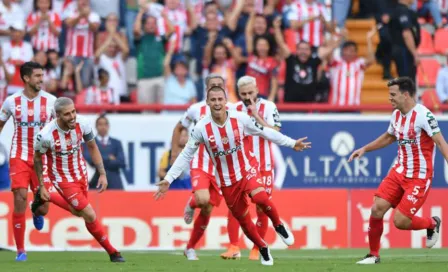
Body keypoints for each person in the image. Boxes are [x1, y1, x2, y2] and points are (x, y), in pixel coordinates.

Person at [155, 85, 312, 266]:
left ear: (225, 101)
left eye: (220, 99)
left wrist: (292, 143)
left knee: (261, 197)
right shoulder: (201, 128)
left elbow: (265, 131)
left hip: (246, 170)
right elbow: (186, 155)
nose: (217, 103)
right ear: (207, 103)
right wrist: (168, 179)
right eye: (213, 100)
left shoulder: (240, 118)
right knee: (244, 221)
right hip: (227, 181)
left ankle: (278, 225)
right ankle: (262, 246)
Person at [348, 77, 443, 264]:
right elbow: (389, 137)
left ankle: (432, 223)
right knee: (376, 208)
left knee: (400, 222)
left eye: (393, 94)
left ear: (405, 94)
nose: (389, 98)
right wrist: (365, 149)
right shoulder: (397, 115)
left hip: (419, 176)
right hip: (399, 171)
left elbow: (440, 142)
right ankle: (373, 255)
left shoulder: (424, 115)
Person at [32, 97, 125, 263]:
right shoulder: (45, 135)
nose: (72, 116)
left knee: (77, 211)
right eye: (67, 114)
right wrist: (42, 184)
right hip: (62, 179)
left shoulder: (83, 123)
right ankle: (113, 252)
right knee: (89, 213)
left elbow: (92, 147)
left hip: (81, 173)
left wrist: (102, 173)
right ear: (58, 115)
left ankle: (48, 196)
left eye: (74, 111)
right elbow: (38, 159)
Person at [0, 61, 71, 261]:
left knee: (43, 206)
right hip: (19, 156)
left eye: (42, 75)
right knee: (20, 197)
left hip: (42, 159)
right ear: (26, 78)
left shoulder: (51, 101)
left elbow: (61, 128)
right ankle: (21, 250)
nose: (42, 79)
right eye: (38, 76)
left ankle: (36, 209)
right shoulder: (11, 101)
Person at [220, 76, 281, 260]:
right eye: (244, 94)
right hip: (241, 167)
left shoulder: (269, 107)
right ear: (239, 93)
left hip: (263, 166)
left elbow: (276, 132)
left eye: (250, 93)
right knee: (235, 207)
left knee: (262, 207)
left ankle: (256, 249)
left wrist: (256, 116)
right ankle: (233, 247)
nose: (248, 97)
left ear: (257, 89)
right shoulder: (232, 109)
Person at [169, 73, 227, 260]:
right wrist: (174, 153)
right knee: (202, 199)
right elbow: (179, 128)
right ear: (206, 89)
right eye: (212, 86)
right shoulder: (196, 109)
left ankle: (190, 247)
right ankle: (192, 202)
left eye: (219, 85)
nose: (216, 88)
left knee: (208, 208)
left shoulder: (231, 110)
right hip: (200, 161)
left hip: (221, 166)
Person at [83, 114, 126, 190]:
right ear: (96, 126)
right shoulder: (89, 143)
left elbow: (121, 162)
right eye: (100, 124)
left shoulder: (116, 143)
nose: (103, 127)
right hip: (96, 182)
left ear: (108, 126)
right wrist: (109, 158)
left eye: (105, 124)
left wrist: (98, 159)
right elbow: (90, 159)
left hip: (115, 183)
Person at [389, 0, 420, 81]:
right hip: (404, 50)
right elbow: (406, 33)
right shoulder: (402, 11)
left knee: (407, 81)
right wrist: (415, 54)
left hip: (404, 50)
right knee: (407, 82)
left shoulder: (403, 10)